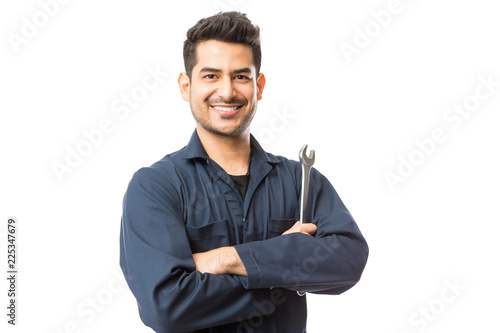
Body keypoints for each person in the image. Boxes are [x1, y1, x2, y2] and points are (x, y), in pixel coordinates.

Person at [119, 11, 368, 333]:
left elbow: (347, 262)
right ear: (186, 85)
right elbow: (167, 306)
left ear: (258, 85)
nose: (227, 92)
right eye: (211, 76)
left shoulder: (301, 180)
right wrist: (284, 267)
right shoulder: (155, 186)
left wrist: (224, 259)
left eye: (240, 76)